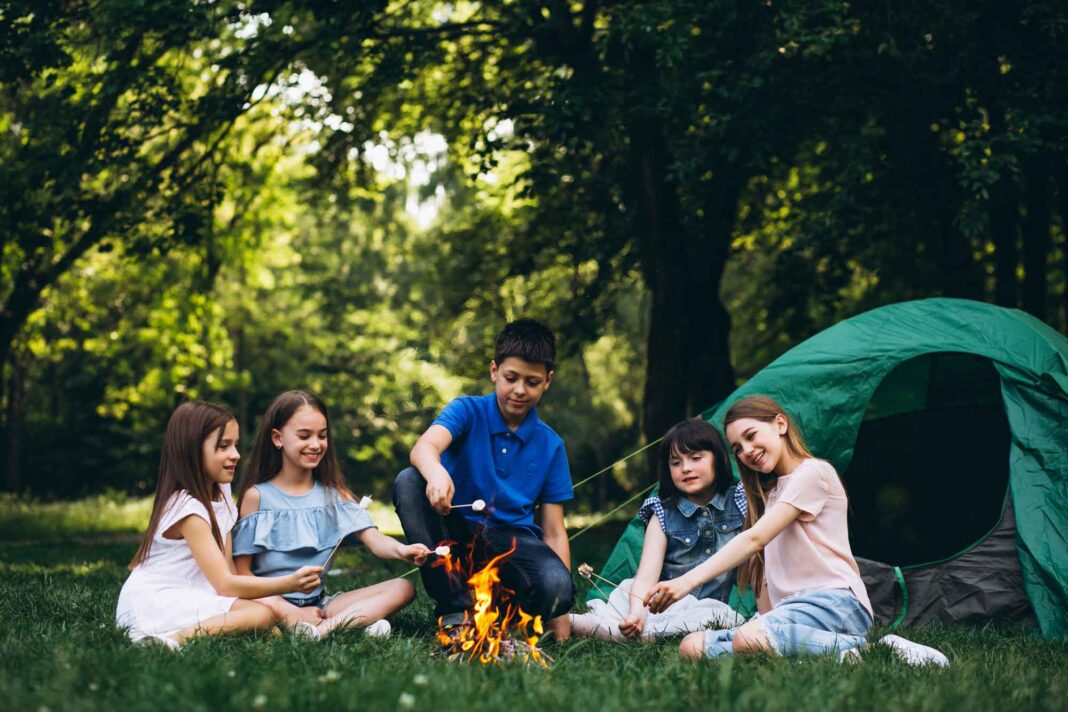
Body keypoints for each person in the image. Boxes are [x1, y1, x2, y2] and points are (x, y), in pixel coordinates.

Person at [645, 395, 948, 666]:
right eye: (738, 448)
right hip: (791, 613)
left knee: (750, 639)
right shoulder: (770, 494)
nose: (747, 451)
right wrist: (763, 620)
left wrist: (685, 582)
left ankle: (872, 650)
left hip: (836, 605)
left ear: (780, 424)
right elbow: (766, 571)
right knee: (691, 646)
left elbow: (754, 538)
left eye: (751, 437)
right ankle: (808, 652)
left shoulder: (813, 473)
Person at [393, 319, 575, 640]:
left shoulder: (551, 445)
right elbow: (425, 447)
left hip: (510, 542)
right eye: (510, 378)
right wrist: (436, 472)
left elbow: (554, 531)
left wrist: (561, 615)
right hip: (456, 531)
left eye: (532, 382)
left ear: (547, 381)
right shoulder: (467, 410)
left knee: (558, 587)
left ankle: (503, 609)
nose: (520, 390)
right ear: (494, 371)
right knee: (409, 482)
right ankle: (456, 609)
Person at [116, 401, 323, 650]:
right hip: (156, 601)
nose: (235, 454)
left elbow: (230, 573)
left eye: (235, 445)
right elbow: (225, 584)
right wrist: (289, 584)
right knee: (260, 617)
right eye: (223, 446)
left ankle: (334, 626)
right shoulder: (188, 510)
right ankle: (170, 641)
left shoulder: (222, 495)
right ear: (192, 450)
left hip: (196, 592)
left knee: (268, 627)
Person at [233, 390, 429, 640]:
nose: (315, 444)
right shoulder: (257, 497)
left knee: (403, 588)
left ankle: (321, 631)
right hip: (267, 602)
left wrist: (403, 551)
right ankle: (349, 625)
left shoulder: (334, 495)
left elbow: (375, 540)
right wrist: (286, 610)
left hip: (320, 604)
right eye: (304, 436)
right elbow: (242, 573)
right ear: (277, 438)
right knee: (261, 617)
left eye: (322, 436)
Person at [570, 418, 747, 641]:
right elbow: (645, 577)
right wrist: (637, 611)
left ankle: (604, 631)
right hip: (659, 604)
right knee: (623, 616)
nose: (686, 468)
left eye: (696, 458)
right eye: (676, 462)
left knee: (712, 621)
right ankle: (567, 621)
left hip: (709, 608)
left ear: (718, 459)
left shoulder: (739, 499)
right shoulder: (662, 511)